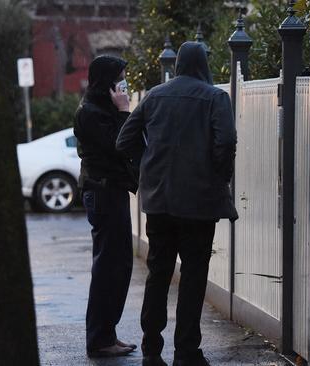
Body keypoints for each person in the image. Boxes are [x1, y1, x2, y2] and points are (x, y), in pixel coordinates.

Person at [116, 42, 238, 366]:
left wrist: (148, 168)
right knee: (194, 276)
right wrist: (218, 175)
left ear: (179, 64)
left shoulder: (155, 96)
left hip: (159, 202)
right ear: (204, 64)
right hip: (199, 203)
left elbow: (124, 140)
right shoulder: (216, 98)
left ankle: (151, 350)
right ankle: (186, 352)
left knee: (158, 274)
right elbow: (225, 141)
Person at [73, 55, 142, 358]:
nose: (124, 82)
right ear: (106, 81)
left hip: (111, 191)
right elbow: (121, 145)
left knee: (118, 265)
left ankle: (106, 335)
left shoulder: (101, 109)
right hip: (103, 193)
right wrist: (125, 110)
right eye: (120, 77)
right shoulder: (90, 113)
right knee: (108, 268)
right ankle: (100, 340)